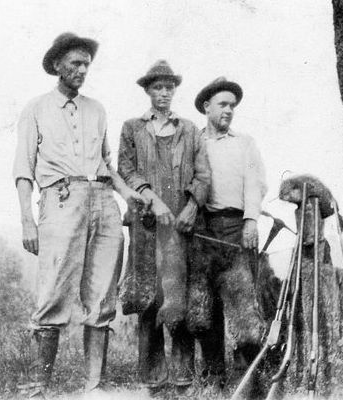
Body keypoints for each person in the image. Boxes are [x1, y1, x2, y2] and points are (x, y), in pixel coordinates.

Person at [12, 32, 146, 396]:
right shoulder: (36, 108)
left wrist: (128, 194)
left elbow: (106, 163)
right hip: (61, 199)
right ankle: (41, 384)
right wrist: (27, 219)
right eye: (75, 63)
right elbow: (24, 170)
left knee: (103, 293)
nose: (82, 70)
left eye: (87, 64)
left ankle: (94, 387)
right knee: (53, 291)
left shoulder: (97, 109)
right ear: (57, 65)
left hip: (103, 201)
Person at [117, 60, 211, 391]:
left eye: (169, 87)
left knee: (179, 298)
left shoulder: (189, 130)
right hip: (146, 226)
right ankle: (152, 379)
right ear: (148, 91)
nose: (164, 93)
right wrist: (149, 198)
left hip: (182, 228)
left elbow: (203, 175)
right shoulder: (132, 128)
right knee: (149, 298)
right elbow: (126, 169)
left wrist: (192, 206)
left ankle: (184, 378)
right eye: (158, 87)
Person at [187, 77, 268, 395]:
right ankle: (214, 379)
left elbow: (256, 182)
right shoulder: (194, 142)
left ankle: (251, 378)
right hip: (203, 230)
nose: (229, 110)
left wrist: (250, 221)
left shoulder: (244, 143)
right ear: (206, 107)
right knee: (204, 309)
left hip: (237, 230)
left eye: (232, 105)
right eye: (223, 104)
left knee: (244, 306)